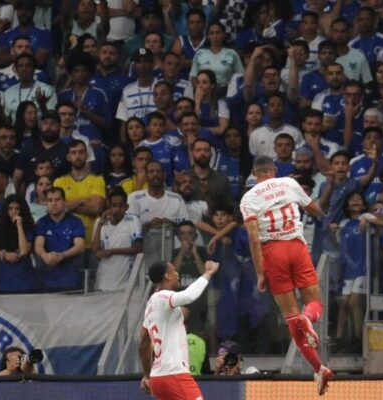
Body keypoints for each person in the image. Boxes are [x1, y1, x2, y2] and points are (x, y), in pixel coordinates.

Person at [240, 156, 333, 395]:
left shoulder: (249, 198)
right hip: (297, 247)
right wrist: (321, 212)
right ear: (274, 169)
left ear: (254, 173)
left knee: (292, 316)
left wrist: (260, 273)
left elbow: (253, 239)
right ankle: (309, 319)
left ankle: (319, 367)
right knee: (315, 303)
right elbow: (313, 209)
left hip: (273, 252)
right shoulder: (289, 183)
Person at [139, 260, 220, 400]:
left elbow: (143, 346)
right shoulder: (163, 296)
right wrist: (208, 273)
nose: (178, 274)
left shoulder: (150, 306)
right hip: (174, 374)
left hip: (158, 378)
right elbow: (188, 296)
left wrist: (147, 375)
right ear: (167, 276)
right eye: (174, 271)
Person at [33, 188, 86, 292]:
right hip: (47, 280)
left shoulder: (75, 221)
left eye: (57, 199)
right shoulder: (42, 222)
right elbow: (38, 245)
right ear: (46, 202)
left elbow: (80, 246)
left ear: (64, 201)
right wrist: (45, 255)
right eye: (50, 200)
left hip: (71, 280)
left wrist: (62, 255)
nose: (54, 203)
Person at [92, 187, 142, 291]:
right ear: (108, 206)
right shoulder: (99, 222)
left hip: (126, 282)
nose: (117, 210)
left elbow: (138, 248)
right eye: (114, 206)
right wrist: (100, 224)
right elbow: (96, 251)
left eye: (121, 206)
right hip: (103, 280)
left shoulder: (133, 221)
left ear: (127, 207)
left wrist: (112, 251)